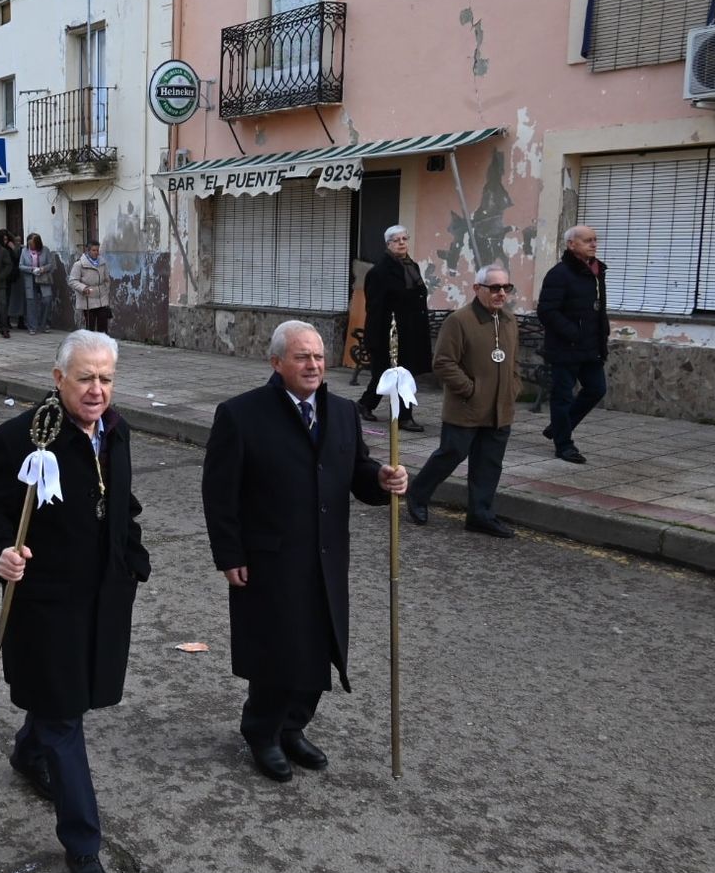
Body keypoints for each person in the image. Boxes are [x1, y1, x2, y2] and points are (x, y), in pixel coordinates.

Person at [0, 330, 151, 873]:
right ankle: (84, 845)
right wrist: (0, 551)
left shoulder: (115, 433)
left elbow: (122, 500)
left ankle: (27, 750)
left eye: (107, 379)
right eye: (86, 378)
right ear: (57, 379)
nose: (98, 391)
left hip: (102, 600)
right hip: (44, 605)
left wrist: (132, 553)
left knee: (64, 702)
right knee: (64, 715)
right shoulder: (20, 437)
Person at [201, 320, 407, 783]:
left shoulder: (341, 411)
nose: (313, 364)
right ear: (276, 363)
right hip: (270, 557)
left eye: (317, 356)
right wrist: (229, 553)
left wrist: (381, 480)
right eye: (301, 356)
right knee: (278, 651)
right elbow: (219, 493)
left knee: (320, 648)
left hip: (327, 555)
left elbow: (356, 471)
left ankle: (294, 727)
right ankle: (262, 730)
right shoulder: (240, 415)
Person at [406, 264, 520, 538]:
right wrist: (471, 390)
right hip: (467, 407)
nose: (501, 293)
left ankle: (480, 515)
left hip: (499, 409)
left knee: (489, 463)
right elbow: (443, 362)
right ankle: (417, 494)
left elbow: (512, 360)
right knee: (451, 454)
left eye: (506, 288)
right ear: (477, 289)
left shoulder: (508, 320)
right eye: (494, 288)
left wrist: (513, 387)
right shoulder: (460, 320)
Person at [538, 224, 609, 465]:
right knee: (562, 397)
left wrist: (602, 334)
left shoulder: (597, 271)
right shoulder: (559, 274)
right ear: (571, 244)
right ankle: (564, 445)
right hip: (565, 347)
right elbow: (547, 311)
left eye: (595, 239)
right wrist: (573, 332)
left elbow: (597, 310)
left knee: (597, 389)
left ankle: (558, 427)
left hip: (591, 347)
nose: (594, 244)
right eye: (587, 240)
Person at [357, 226, 429, 431]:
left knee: (396, 373)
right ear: (388, 244)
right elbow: (375, 308)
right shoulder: (379, 271)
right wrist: (376, 339)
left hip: (411, 330)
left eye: (404, 238)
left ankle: (364, 404)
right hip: (389, 333)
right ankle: (404, 417)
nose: (402, 243)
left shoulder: (411, 265)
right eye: (396, 240)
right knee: (393, 374)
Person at [68, 240, 111, 334]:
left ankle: (102, 345)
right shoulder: (79, 264)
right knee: (89, 327)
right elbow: (72, 281)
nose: (96, 252)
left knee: (103, 325)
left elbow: (107, 279)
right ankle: (89, 346)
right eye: (93, 250)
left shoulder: (102, 263)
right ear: (88, 251)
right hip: (87, 298)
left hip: (101, 298)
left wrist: (105, 289)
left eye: (97, 250)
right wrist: (83, 288)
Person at [20, 233, 56, 334]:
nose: (31, 246)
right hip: (30, 279)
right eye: (29, 244)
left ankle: (45, 324)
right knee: (31, 303)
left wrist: (42, 269)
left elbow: (50, 264)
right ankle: (32, 326)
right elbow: (21, 266)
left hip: (43, 278)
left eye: (33, 244)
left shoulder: (45, 250)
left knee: (47, 300)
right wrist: (31, 269)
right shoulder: (24, 251)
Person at [0, 232, 18, 338]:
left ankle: (3, 327)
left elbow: (9, 265)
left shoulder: (3, 251)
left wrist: (1, 276)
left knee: (2, 305)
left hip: (1, 283)